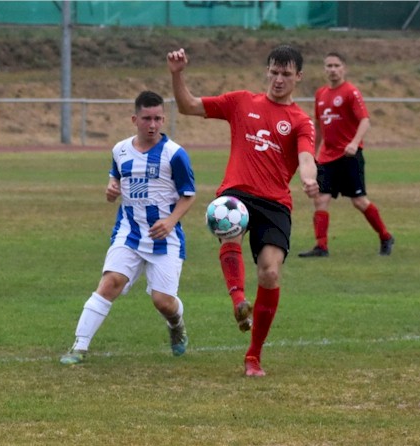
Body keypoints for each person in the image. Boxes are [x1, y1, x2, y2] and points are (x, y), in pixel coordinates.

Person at [167, 45, 319, 377]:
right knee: (227, 219)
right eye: (274, 72)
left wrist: (309, 180)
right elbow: (189, 105)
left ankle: (253, 356)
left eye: (286, 74)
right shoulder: (241, 102)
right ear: (267, 71)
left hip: (275, 203)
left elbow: (307, 158)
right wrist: (178, 75)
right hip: (236, 193)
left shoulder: (300, 121)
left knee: (270, 273)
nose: (279, 80)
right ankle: (238, 298)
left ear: (298, 77)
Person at [60, 90, 196, 365]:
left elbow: (189, 194)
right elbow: (115, 179)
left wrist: (170, 222)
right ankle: (78, 347)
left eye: (158, 118)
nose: (153, 124)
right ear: (135, 119)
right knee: (110, 284)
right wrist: (111, 189)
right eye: (147, 118)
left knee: (163, 302)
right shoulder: (120, 150)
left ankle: (176, 325)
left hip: (164, 238)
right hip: (130, 232)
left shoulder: (175, 154)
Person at [298, 52, 394, 258]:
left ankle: (385, 237)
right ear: (324, 69)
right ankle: (321, 247)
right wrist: (312, 153)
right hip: (327, 157)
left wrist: (354, 142)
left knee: (359, 201)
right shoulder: (321, 94)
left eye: (336, 65)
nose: (332, 69)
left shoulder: (351, 92)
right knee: (320, 199)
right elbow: (319, 125)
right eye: (329, 66)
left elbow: (365, 120)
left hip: (349, 157)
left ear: (344, 68)